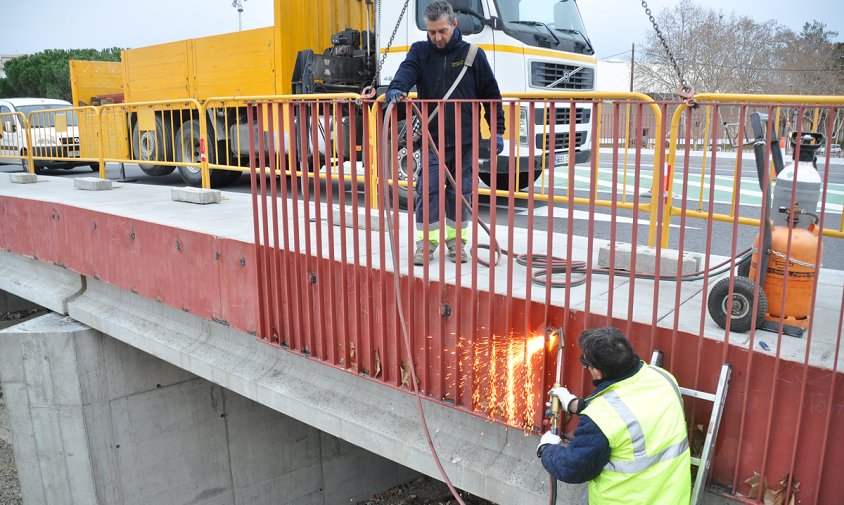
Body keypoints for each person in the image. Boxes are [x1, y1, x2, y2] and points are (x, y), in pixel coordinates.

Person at [385, 0, 505, 265]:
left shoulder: (473, 55)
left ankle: (456, 243)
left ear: (454, 24)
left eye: (442, 31)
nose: (437, 38)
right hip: (433, 141)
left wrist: (497, 131)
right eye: (431, 32)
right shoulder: (420, 52)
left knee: (460, 193)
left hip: (465, 142)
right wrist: (397, 87)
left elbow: (491, 97)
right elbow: (407, 71)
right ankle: (425, 244)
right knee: (427, 191)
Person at [537, 327, 691, 504]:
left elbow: (574, 468)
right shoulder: (664, 378)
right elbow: (634, 409)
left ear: (597, 372)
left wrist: (547, 449)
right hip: (673, 497)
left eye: (586, 364)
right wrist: (576, 405)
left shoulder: (601, 418)